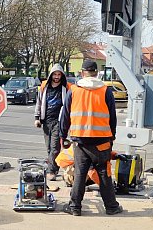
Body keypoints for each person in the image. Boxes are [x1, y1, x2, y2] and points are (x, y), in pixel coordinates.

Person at [59, 59, 122, 216]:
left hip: (80, 141)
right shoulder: (106, 91)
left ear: (82, 73)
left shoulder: (73, 90)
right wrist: (112, 136)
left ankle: (74, 207)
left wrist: (63, 135)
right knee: (104, 174)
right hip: (101, 141)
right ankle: (111, 207)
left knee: (80, 173)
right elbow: (112, 117)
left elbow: (65, 116)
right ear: (97, 73)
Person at [34, 64, 71, 181]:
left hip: (58, 121)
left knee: (55, 148)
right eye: (55, 74)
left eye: (59, 74)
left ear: (62, 75)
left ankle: (52, 171)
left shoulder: (66, 87)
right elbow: (39, 102)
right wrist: (37, 118)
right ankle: (53, 166)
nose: (57, 77)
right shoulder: (44, 86)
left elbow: (69, 105)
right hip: (46, 121)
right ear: (51, 75)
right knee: (49, 148)